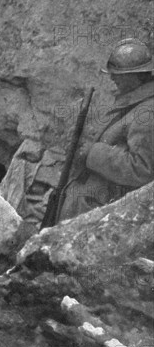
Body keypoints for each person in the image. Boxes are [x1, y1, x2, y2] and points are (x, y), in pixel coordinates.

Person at [58, 37, 154, 221]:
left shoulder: (147, 112)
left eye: (118, 73)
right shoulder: (132, 100)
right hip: (96, 199)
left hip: (109, 210)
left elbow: (143, 169)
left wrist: (93, 153)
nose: (112, 77)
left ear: (136, 76)